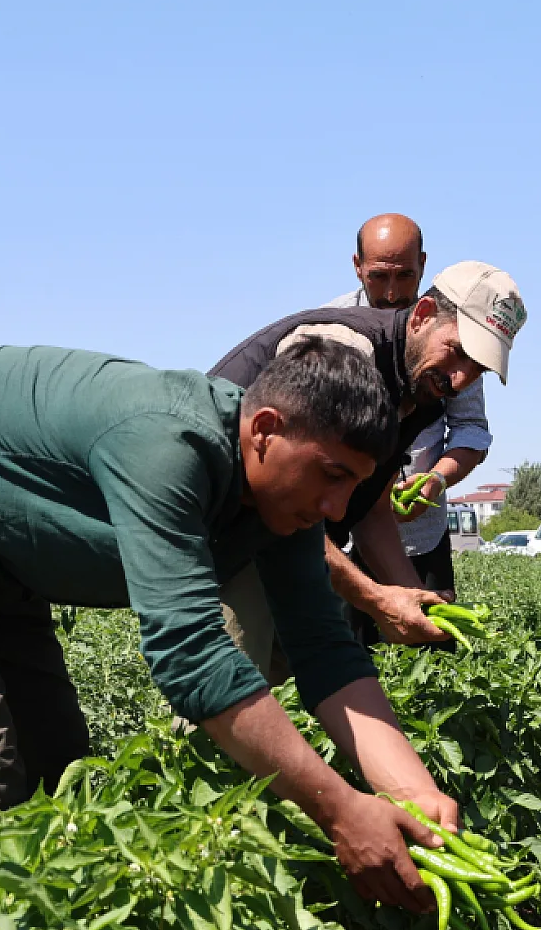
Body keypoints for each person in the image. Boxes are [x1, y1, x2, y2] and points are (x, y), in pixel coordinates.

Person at [0, 339, 457, 912]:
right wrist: (341, 810)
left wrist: (416, 794)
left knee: (58, 778)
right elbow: (191, 655)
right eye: (332, 475)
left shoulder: (284, 502)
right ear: (265, 429)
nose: (337, 506)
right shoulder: (168, 444)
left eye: (355, 485)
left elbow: (326, 654)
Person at [212, 260, 525, 663]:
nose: (461, 380)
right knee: (233, 690)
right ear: (424, 316)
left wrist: (416, 599)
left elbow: (372, 508)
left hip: (287, 540)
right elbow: (290, 498)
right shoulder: (345, 354)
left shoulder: (420, 388)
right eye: (458, 352)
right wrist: (377, 599)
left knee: (308, 681)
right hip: (234, 533)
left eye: (477, 369)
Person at [323, 216, 492, 602]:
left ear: (423, 265)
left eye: (405, 275)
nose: (392, 292)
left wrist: (434, 481)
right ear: (357, 266)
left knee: (428, 644)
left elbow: (471, 429)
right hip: (341, 532)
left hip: (421, 535)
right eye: (379, 276)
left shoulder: (450, 334)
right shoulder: (335, 329)